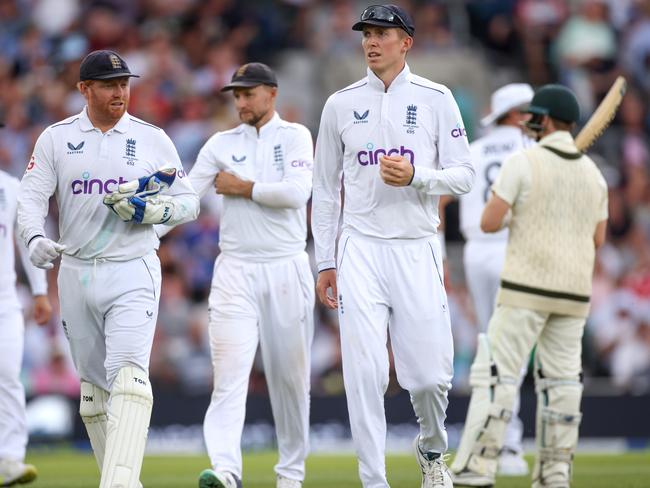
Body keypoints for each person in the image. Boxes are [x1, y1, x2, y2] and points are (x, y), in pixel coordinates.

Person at [17, 50, 199, 488]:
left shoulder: (152, 138)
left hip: (132, 267)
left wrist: (152, 212)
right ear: (84, 89)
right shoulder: (57, 138)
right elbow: (30, 199)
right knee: (93, 395)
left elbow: (189, 203)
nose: (120, 92)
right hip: (76, 272)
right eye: (109, 85)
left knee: (130, 376)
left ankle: (115, 485)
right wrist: (34, 239)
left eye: (124, 84)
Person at [312, 5, 475, 488]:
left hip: (416, 245)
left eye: (383, 33)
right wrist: (325, 261)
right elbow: (325, 189)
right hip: (359, 247)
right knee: (364, 372)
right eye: (366, 34)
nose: (371, 42)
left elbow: (464, 175)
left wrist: (419, 177)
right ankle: (374, 480)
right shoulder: (340, 103)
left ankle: (431, 449)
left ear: (406, 42)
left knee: (428, 378)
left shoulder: (435, 98)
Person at [157, 62, 315, 488]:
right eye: (236, 95)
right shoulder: (220, 143)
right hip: (236, 269)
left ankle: (291, 476)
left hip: (286, 266)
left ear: (271, 93)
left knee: (290, 380)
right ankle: (226, 471)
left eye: (248, 94)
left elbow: (298, 193)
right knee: (228, 375)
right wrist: (148, 222)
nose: (241, 102)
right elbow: (188, 199)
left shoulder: (295, 136)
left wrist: (243, 187)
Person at [450, 84, 608, 488]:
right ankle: (555, 472)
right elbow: (598, 239)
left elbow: (488, 222)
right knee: (561, 381)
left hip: (525, 281)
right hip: (572, 291)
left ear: (547, 119)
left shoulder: (524, 160)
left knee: (496, 371)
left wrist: (523, 214)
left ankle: (478, 465)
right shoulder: (594, 174)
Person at [451, 83, 535, 477]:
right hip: (513, 247)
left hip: (476, 251)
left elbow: (446, 194)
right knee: (512, 350)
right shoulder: (530, 147)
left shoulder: (475, 148)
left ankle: (489, 437)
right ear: (517, 114)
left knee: (490, 345)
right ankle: (508, 443)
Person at [0, 120, 52, 487]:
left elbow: (28, 240)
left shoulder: (9, 188)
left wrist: (39, 291)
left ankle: (10, 459)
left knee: (7, 378)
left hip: (4, 299)